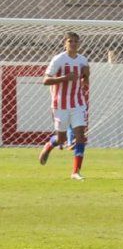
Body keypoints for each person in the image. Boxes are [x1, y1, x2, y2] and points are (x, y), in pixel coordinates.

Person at [38, 32, 89, 179]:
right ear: (65, 43)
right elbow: (45, 80)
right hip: (60, 104)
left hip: (78, 103)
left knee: (80, 136)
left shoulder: (83, 60)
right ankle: (49, 146)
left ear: (79, 44)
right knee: (61, 139)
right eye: (70, 41)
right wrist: (65, 78)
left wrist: (87, 76)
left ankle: (75, 172)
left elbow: (85, 82)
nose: (73, 44)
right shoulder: (58, 59)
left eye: (75, 41)